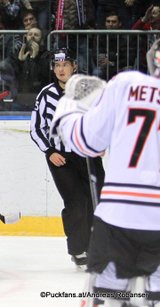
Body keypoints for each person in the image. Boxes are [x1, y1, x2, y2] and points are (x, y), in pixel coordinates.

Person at [50, 40, 160, 307]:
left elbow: (85, 142)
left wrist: (70, 105)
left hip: (118, 217)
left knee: (110, 297)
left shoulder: (126, 84)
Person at [30, 48, 105, 270]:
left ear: (74, 67)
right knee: (76, 203)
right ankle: (78, 250)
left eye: (65, 65)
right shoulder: (46, 94)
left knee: (96, 201)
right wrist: (49, 151)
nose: (61, 69)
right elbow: (36, 128)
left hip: (88, 156)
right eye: (57, 65)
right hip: (60, 158)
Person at [92, 11, 135, 80]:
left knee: (129, 71)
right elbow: (97, 55)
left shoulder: (126, 37)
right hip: (105, 67)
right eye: (108, 21)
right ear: (105, 23)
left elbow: (129, 59)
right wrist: (104, 61)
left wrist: (112, 63)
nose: (110, 24)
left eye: (114, 22)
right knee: (97, 72)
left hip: (121, 67)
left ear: (120, 24)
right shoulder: (100, 37)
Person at [16, 26, 51, 109]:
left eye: (36, 35)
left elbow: (44, 76)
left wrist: (34, 59)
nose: (32, 37)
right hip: (21, 96)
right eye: (30, 34)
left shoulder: (47, 55)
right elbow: (13, 75)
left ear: (42, 40)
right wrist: (19, 62)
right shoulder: (19, 53)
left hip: (40, 96)